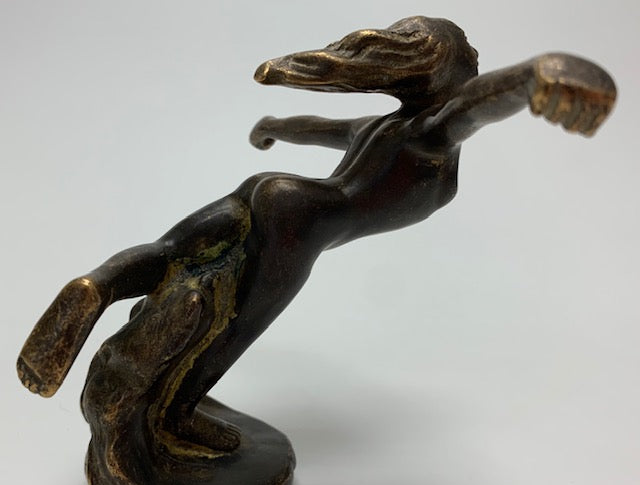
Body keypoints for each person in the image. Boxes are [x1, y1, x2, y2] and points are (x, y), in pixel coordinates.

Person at [17, 16, 615, 451]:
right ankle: (173, 416)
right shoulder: (432, 132)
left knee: (171, 253)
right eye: (469, 51)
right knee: (236, 325)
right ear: (444, 71)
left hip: (271, 189)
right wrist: (534, 76)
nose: (477, 58)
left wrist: (272, 126)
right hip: (304, 220)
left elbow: (313, 127)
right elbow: (479, 103)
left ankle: (96, 285)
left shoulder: (382, 126)